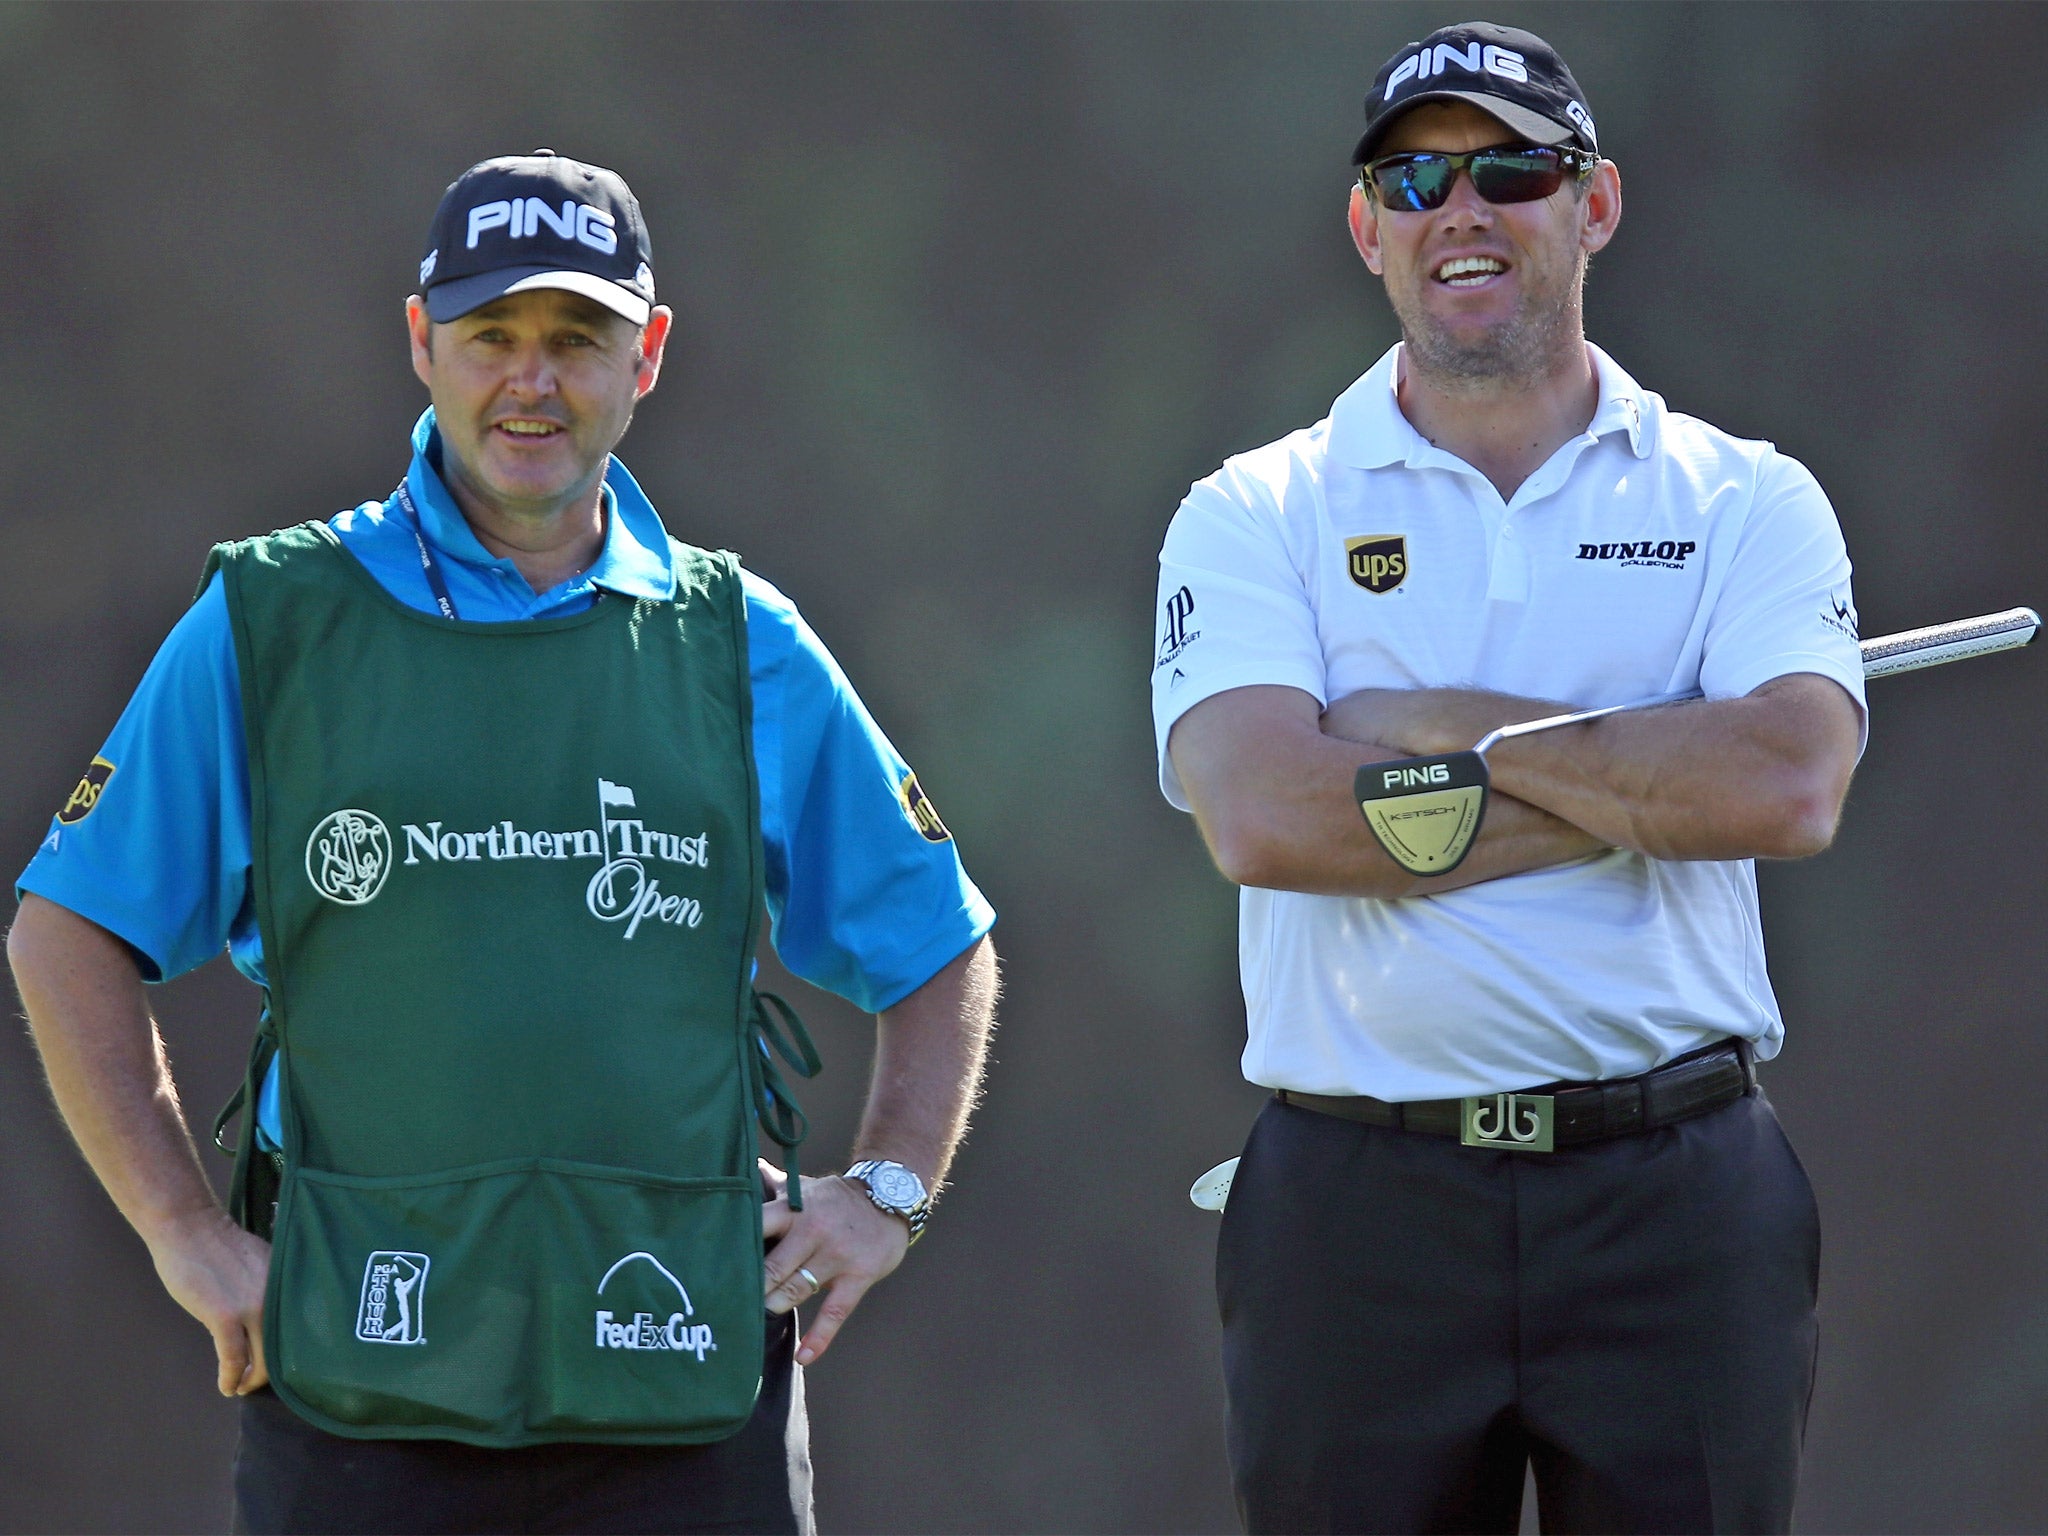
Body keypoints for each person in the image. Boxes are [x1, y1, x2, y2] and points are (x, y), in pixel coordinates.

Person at [9, 149, 999, 1536]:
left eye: (577, 338)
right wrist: (181, 1231)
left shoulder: (736, 639)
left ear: (646, 356)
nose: (532, 379)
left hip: (680, 1388)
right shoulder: (277, 621)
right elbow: (67, 931)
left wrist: (887, 1192)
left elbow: (939, 940)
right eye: (492, 337)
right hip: (360, 1378)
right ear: (423, 345)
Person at [1153, 23, 1864, 1535]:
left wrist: (1441, 728)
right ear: (1367, 228)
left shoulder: (1745, 496)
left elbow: (1787, 789)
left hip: (1675, 1193)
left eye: (1512, 170)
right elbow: (1268, 815)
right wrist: (1642, 779)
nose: (1459, 213)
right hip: (1358, 1207)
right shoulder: (1255, 509)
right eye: (1414, 179)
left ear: (1592, 205)